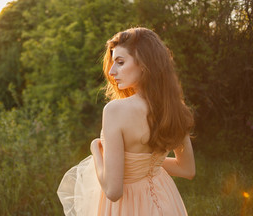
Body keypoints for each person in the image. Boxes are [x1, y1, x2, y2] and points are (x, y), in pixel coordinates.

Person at [57, 27, 195, 216]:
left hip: (128, 207)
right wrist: (146, 165)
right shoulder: (177, 108)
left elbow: (113, 191)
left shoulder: (115, 110)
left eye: (120, 62)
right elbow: (187, 169)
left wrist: (96, 152)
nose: (112, 71)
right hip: (167, 202)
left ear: (144, 64)